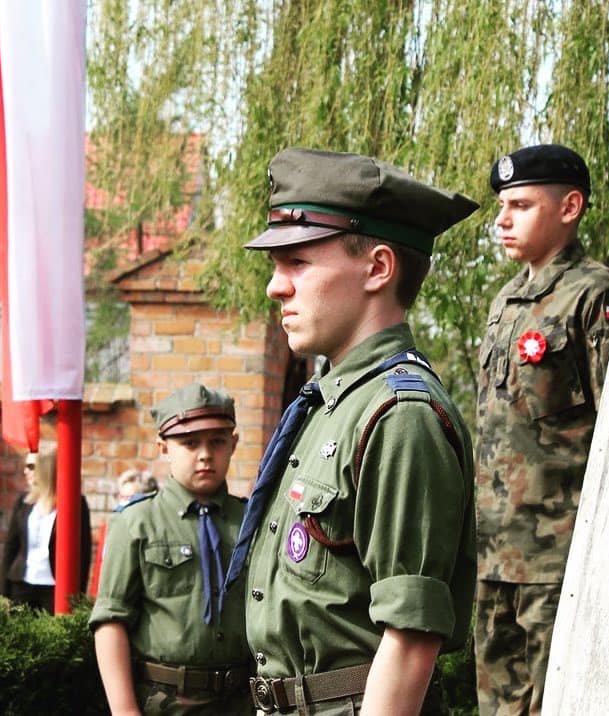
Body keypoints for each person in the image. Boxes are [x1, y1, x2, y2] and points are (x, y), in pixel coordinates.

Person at [224, 147, 479, 715]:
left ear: (378, 267)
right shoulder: (333, 404)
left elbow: (409, 640)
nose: (275, 287)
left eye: (297, 262)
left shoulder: (399, 414)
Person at [474, 144, 609, 715]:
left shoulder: (597, 294)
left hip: (558, 558)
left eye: (520, 206)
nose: (502, 220)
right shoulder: (505, 302)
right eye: (502, 207)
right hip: (496, 554)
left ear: (569, 207)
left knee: (561, 703)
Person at [91, 383, 252, 715]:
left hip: (242, 701)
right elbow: (111, 620)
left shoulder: (253, 521)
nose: (205, 454)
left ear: (233, 444)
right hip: (164, 701)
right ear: (163, 447)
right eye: (189, 443)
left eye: (217, 441)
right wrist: (125, 711)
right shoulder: (136, 522)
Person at [0, 441, 93, 613]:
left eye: (31, 466)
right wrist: (2, 592)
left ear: (46, 468)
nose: (25, 471)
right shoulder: (24, 501)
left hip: (55, 589)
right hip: (21, 585)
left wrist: (77, 598)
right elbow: (10, 548)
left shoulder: (75, 503)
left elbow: (83, 553)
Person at [90, 470, 161, 599]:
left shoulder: (154, 529)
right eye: (121, 497)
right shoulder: (109, 525)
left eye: (129, 498)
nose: (123, 502)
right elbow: (100, 568)